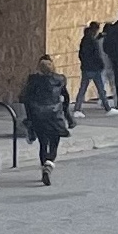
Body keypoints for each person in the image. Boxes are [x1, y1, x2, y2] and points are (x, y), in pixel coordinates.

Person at [21, 54, 75, 185]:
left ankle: (44, 168)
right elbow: (66, 99)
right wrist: (68, 117)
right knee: (54, 144)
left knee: (43, 144)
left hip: (38, 116)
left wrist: (29, 119)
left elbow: (25, 99)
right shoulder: (60, 80)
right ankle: (49, 165)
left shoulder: (33, 80)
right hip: (54, 116)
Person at [74, 21, 114, 117]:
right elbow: (97, 55)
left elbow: (81, 54)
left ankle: (77, 108)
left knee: (82, 89)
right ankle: (107, 108)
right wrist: (101, 65)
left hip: (86, 68)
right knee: (101, 89)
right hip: (95, 69)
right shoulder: (93, 41)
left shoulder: (84, 40)